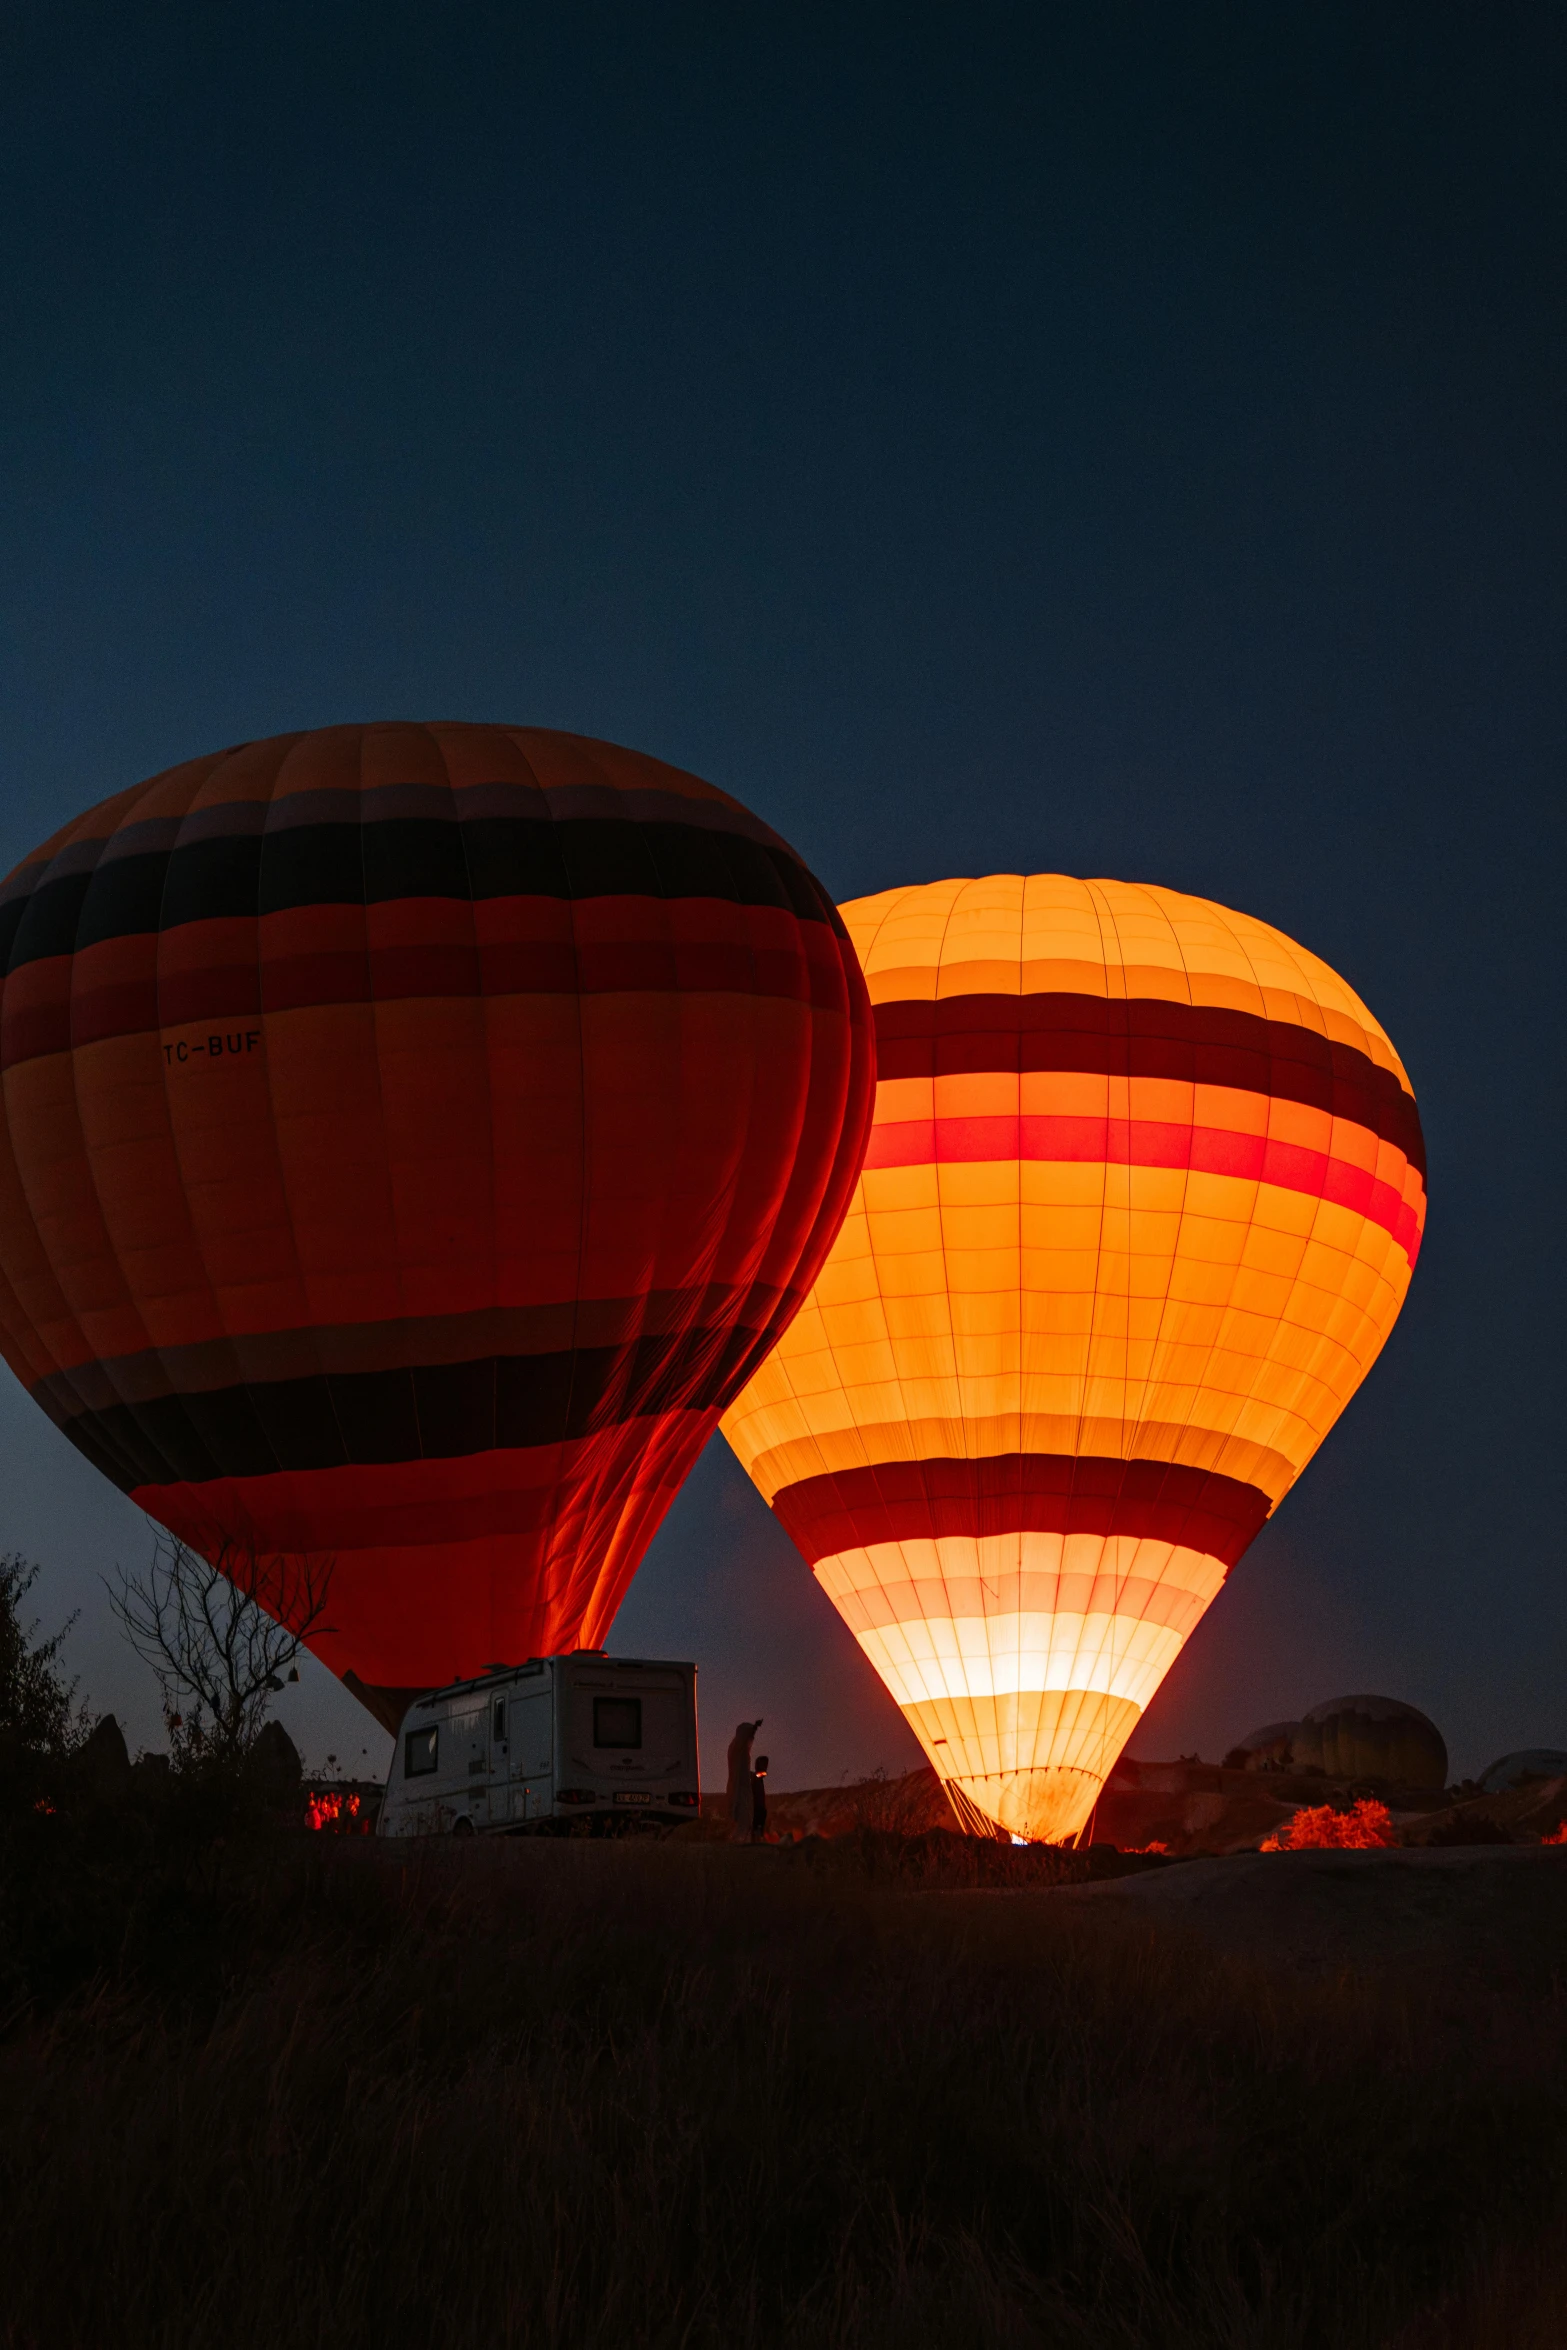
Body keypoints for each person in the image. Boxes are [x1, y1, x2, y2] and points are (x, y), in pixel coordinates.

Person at [726, 1719, 761, 1843]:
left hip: (743, 1787)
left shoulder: (739, 1750)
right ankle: (737, 1843)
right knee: (744, 1819)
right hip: (739, 1788)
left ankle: (740, 1841)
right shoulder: (737, 1748)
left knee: (746, 1819)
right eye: (749, 1737)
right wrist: (754, 1727)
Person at [751, 1754, 769, 1839]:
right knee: (756, 1825)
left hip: (760, 1806)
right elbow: (760, 1774)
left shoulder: (758, 1778)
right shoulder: (755, 1777)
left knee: (760, 1824)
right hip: (756, 1806)